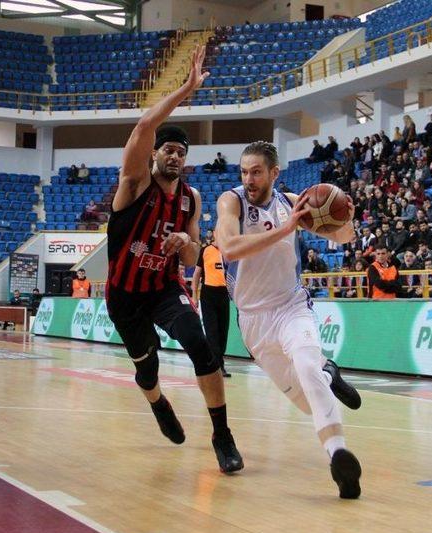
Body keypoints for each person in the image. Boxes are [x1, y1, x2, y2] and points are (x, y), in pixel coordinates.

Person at [104, 46, 242, 474]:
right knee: (148, 370)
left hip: (164, 288)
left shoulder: (190, 199)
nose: (174, 156)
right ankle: (159, 402)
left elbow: (192, 255)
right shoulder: (134, 182)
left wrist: (185, 238)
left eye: (181, 152)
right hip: (125, 295)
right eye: (167, 149)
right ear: (155, 153)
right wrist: (187, 89)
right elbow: (145, 123)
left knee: (203, 349)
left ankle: (222, 435)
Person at [216, 140, 362, 498]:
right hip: (253, 319)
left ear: (274, 173)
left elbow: (342, 237)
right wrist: (285, 230)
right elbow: (229, 248)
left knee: (306, 364)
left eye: (256, 171)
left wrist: (346, 218)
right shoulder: (231, 201)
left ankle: (338, 456)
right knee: (304, 399)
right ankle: (330, 373)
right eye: (244, 171)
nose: (249, 178)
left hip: (291, 305)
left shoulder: (293, 204)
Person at [192, 234, 232, 378]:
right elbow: (196, 274)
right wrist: (194, 296)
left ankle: (220, 365)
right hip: (208, 294)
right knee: (212, 332)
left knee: (223, 332)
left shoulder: (228, 252)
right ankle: (216, 367)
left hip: (223, 295)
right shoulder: (205, 250)